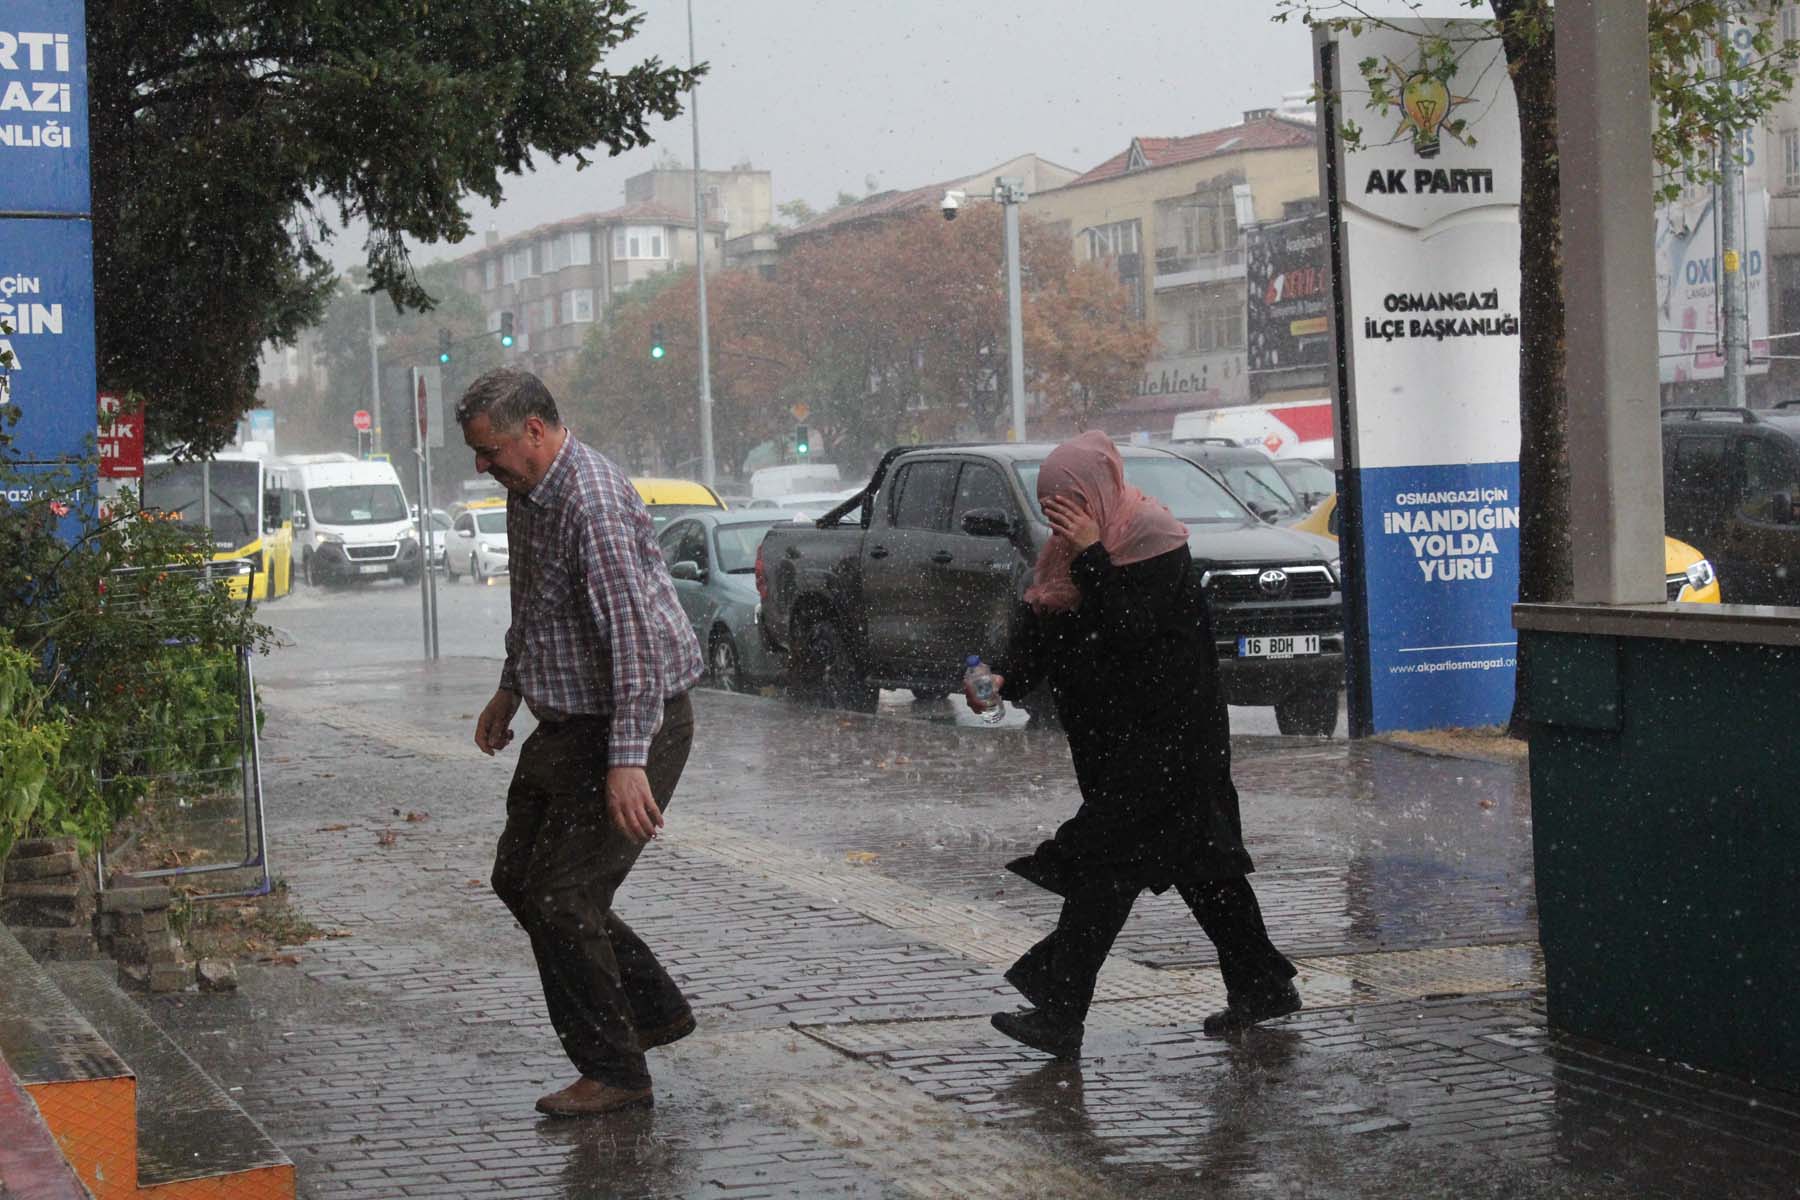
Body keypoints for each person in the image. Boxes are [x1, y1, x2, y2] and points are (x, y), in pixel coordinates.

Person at [968, 432, 1300, 1060]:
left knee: (1105, 873)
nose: (1057, 517)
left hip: (1169, 746)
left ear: (1097, 493)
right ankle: (1261, 985)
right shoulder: (1065, 555)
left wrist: (1095, 554)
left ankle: (1060, 1012)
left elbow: (1133, 632)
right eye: (1048, 504)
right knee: (1205, 870)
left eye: (1067, 502)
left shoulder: (1152, 541)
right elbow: (1047, 631)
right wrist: (1003, 675)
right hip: (1117, 748)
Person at [456, 368, 705, 1117]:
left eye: (490, 449)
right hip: (568, 720)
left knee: (564, 897)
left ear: (535, 429)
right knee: (518, 877)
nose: (483, 466)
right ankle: (653, 1007)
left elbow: (631, 642)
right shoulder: (528, 492)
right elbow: (534, 604)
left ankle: (616, 1071)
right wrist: (511, 686)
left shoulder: (589, 500)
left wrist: (628, 760)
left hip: (637, 718)